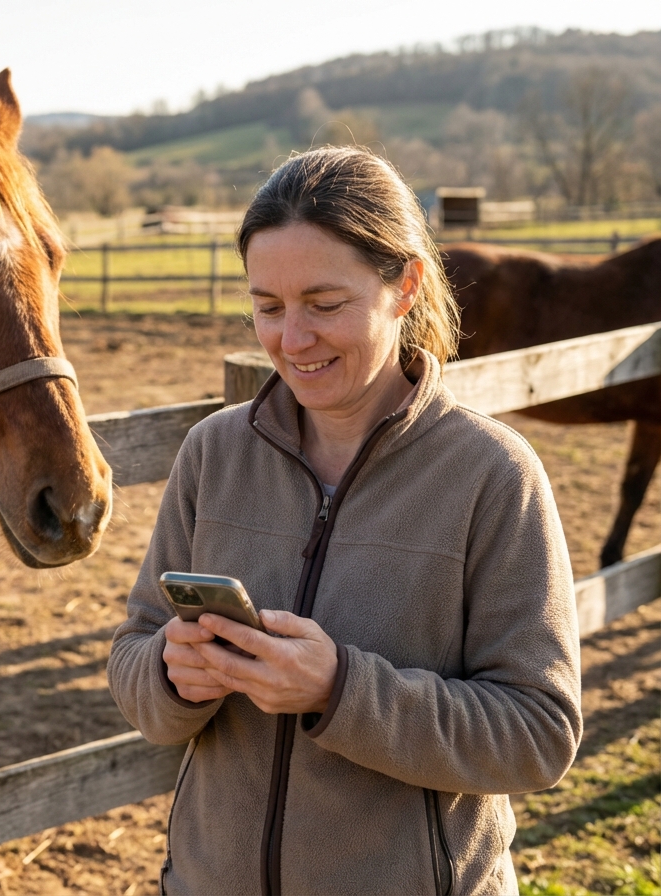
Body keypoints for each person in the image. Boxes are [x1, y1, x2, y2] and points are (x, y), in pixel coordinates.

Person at [107, 146, 582, 895]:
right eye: (268, 307)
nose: (292, 342)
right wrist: (171, 672)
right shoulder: (213, 453)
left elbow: (538, 735)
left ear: (406, 286)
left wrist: (341, 691)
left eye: (325, 305)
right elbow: (132, 652)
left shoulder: (494, 475)